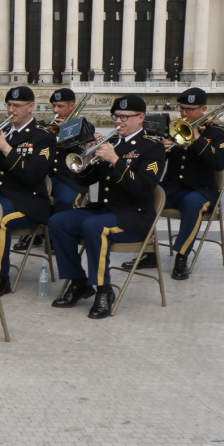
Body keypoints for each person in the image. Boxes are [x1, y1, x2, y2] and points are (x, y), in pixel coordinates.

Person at [49, 94, 166, 318]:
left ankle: (104, 290)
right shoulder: (111, 143)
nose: (118, 122)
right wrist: (88, 158)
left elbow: (142, 188)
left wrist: (115, 161)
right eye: (116, 117)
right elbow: (84, 182)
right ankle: (79, 282)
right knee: (58, 221)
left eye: (124, 117)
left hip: (134, 216)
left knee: (95, 226)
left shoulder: (152, 148)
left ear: (141, 118)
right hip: (106, 210)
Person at [123, 88, 224, 280]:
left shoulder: (217, 133)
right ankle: (150, 252)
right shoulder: (174, 127)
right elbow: (156, 160)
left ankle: (182, 256)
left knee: (192, 205)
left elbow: (220, 163)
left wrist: (198, 139)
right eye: (182, 109)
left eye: (190, 109)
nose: (184, 114)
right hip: (173, 187)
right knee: (143, 196)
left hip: (201, 189)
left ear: (204, 108)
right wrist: (160, 149)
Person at [0, 86, 55, 299]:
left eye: (17, 106)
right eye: (9, 105)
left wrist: (6, 149)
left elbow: (33, 175)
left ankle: (0, 279)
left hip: (27, 202)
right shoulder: (5, 132)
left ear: (31, 107)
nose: (12, 110)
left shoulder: (44, 137)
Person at [12, 87, 90, 252]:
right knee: (29, 195)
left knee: (65, 201)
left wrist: (69, 132)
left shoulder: (85, 126)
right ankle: (34, 233)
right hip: (46, 175)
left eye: (60, 106)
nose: (56, 110)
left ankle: (57, 237)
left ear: (72, 107)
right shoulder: (46, 126)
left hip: (69, 177)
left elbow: (84, 154)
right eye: (54, 106)